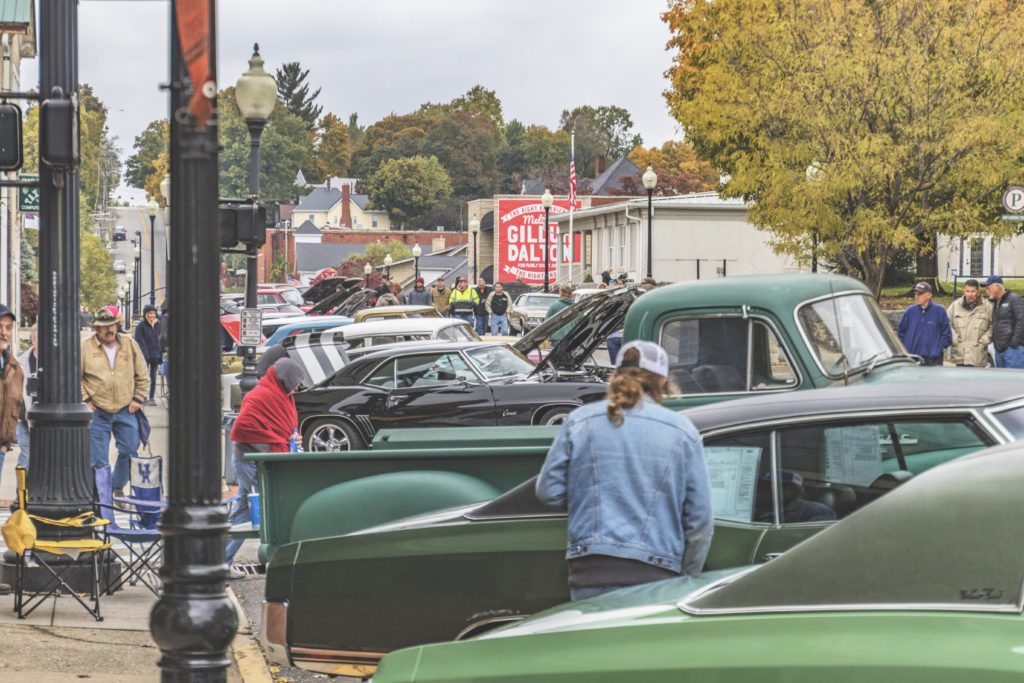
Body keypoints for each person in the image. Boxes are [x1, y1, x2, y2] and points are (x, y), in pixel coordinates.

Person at [536, 341, 713, 601]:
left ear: (616, 375)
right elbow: (700, 521)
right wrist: (686, 575)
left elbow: (548, 491)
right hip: (657, 572)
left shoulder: (580, 421)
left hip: (590, 568)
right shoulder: (682, 431)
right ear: (663, 381)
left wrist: (588, 495)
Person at [225, 357, 305, 573]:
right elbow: (242, 429)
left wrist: (293, 438)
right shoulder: (259, 396)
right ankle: (278, 561)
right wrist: (279, 442)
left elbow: (288, 426)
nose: (297, 387)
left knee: (244, 512)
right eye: (295, 382)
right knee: (268, 509)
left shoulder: (283, 396)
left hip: (260, 461)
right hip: (251, 462)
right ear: (284, 380)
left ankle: (221, 562)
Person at [81, 308, 150, 495]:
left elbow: (143, 374)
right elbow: (76, 377)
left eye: (111, 325)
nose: (109, 330)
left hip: (126, 408)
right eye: (104, 327)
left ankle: (117, 487)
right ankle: (102, 497)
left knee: (130, 450)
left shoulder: (129, 344)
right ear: (96, 328)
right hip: (98, 410)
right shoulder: (85, 347)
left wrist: (138, 398)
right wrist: (85, 399)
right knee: (98, 460)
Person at [0, 305, 24, 500]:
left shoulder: (15, 367)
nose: (4, 333)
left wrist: (6, 443)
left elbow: (13, 407)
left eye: (8, 328)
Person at [897, 281, 951, 367]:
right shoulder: (910, 311)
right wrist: (906, 348)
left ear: (929, 295)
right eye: (915, 293)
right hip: (912, 359)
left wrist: (937, 348)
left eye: (920, 293)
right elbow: (900, 333)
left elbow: (947, 335)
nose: (917, 296)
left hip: (933, 360)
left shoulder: (940, 311)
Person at [755, 471, 836, 523]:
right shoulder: (755, 509)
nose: (766, 491)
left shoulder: (816, 511)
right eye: (763, 486)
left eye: (775, 486)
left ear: (795, 491)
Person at [947, 279, 993, 367]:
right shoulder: (955, 305)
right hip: (960, 354)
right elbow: (947, 323)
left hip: (978, 355)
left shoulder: (988, 307)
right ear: (964, 291)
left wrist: (983, 341)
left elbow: (993, 326)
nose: (970, 294)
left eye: (973, 291)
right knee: (961, 380)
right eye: (967, 291)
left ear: (978, 292)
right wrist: (955, 339)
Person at [985, 276, 1024, 368]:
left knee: (1014, 380)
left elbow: (1022, 321)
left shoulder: (1014, 299)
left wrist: (1014, 343)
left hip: (1013, 350)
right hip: (999, 349)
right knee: (1002, 381)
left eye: (988, 287)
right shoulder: (996, 302)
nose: (987, 291)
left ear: (998, 286)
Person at [14, 325, 36, 472]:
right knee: (26, 457)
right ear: (34, 340)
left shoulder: (57, 362)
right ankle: (20, 494)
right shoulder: (20, 362)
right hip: (24, 419)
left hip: (48, 421)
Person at [134, 305, 162, 405]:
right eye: (149, 313)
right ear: (145, 314)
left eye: (153, 313)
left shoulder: (158, 325)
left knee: (153, 377)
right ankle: (143, 397)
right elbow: (139, 341)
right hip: (144, 356)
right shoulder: (140, 326)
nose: (152, 315)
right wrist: (145, 354)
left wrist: (159, 354)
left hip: (155, 355)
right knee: (144, 377)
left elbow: (158, 340)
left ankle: (151, 397)